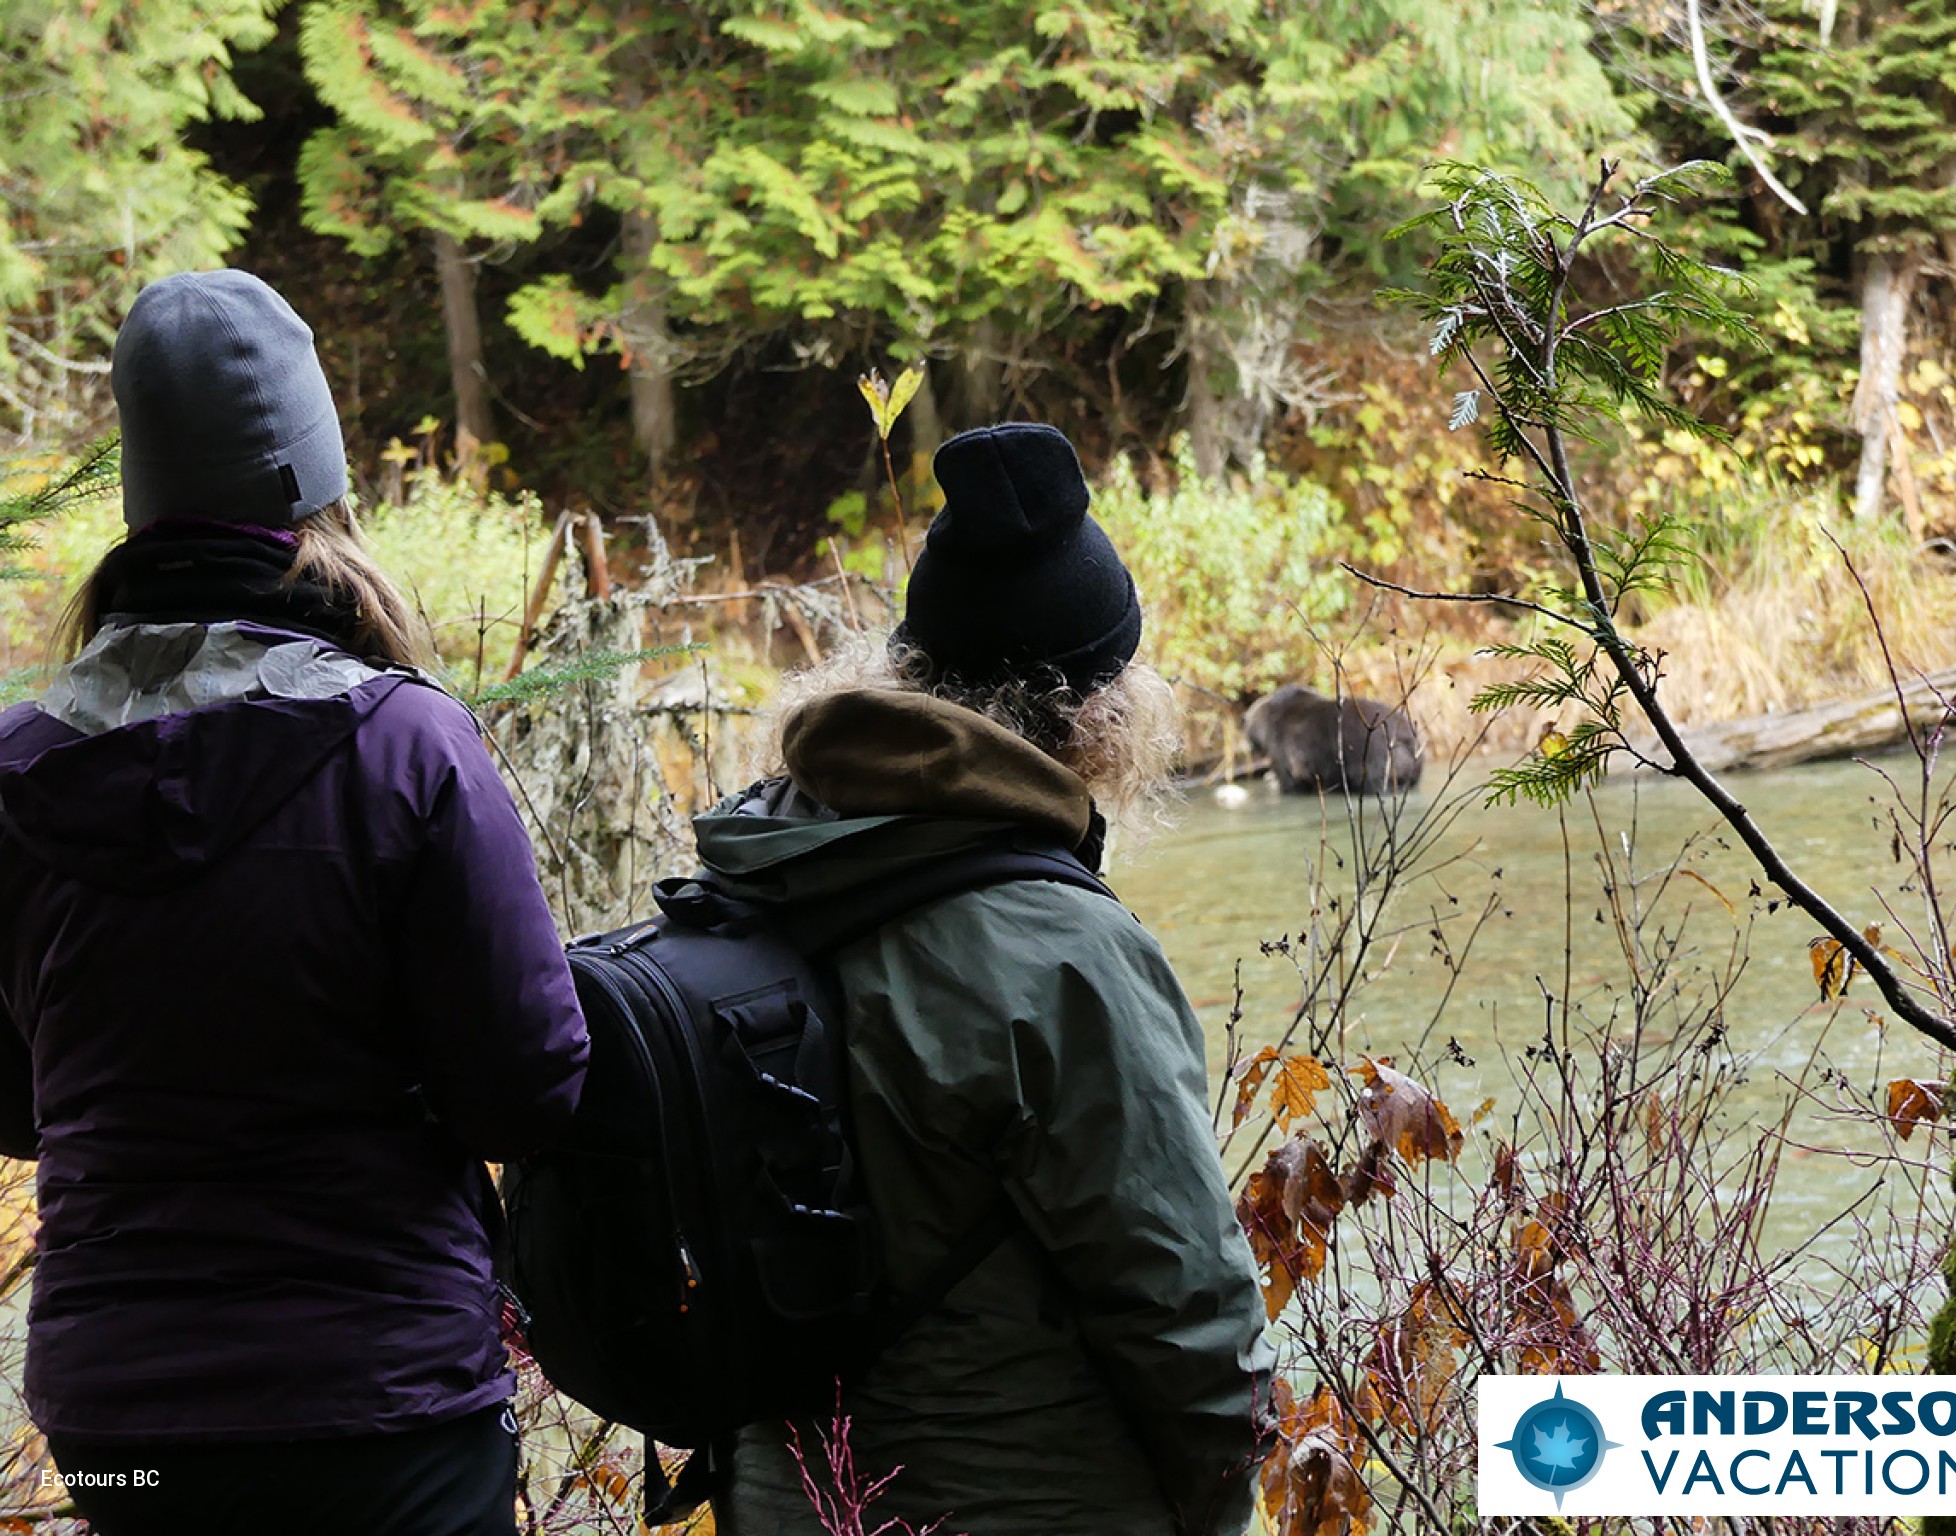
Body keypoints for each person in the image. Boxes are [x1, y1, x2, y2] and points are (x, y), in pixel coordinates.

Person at [0, 270, 589, 1536]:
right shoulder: (406, 744)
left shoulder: (17, 768)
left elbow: (11, 1103)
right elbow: (525, 1085)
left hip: (119, 1424)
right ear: (321, 492)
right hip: (380, 1399)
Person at [702, 421, 1273, 1536]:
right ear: (1097, 707)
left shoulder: (754, 864)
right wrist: (1219, 1506)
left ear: (906, 669)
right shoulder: (1060, 951)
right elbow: (1183, 1307)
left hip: (777, 1498)